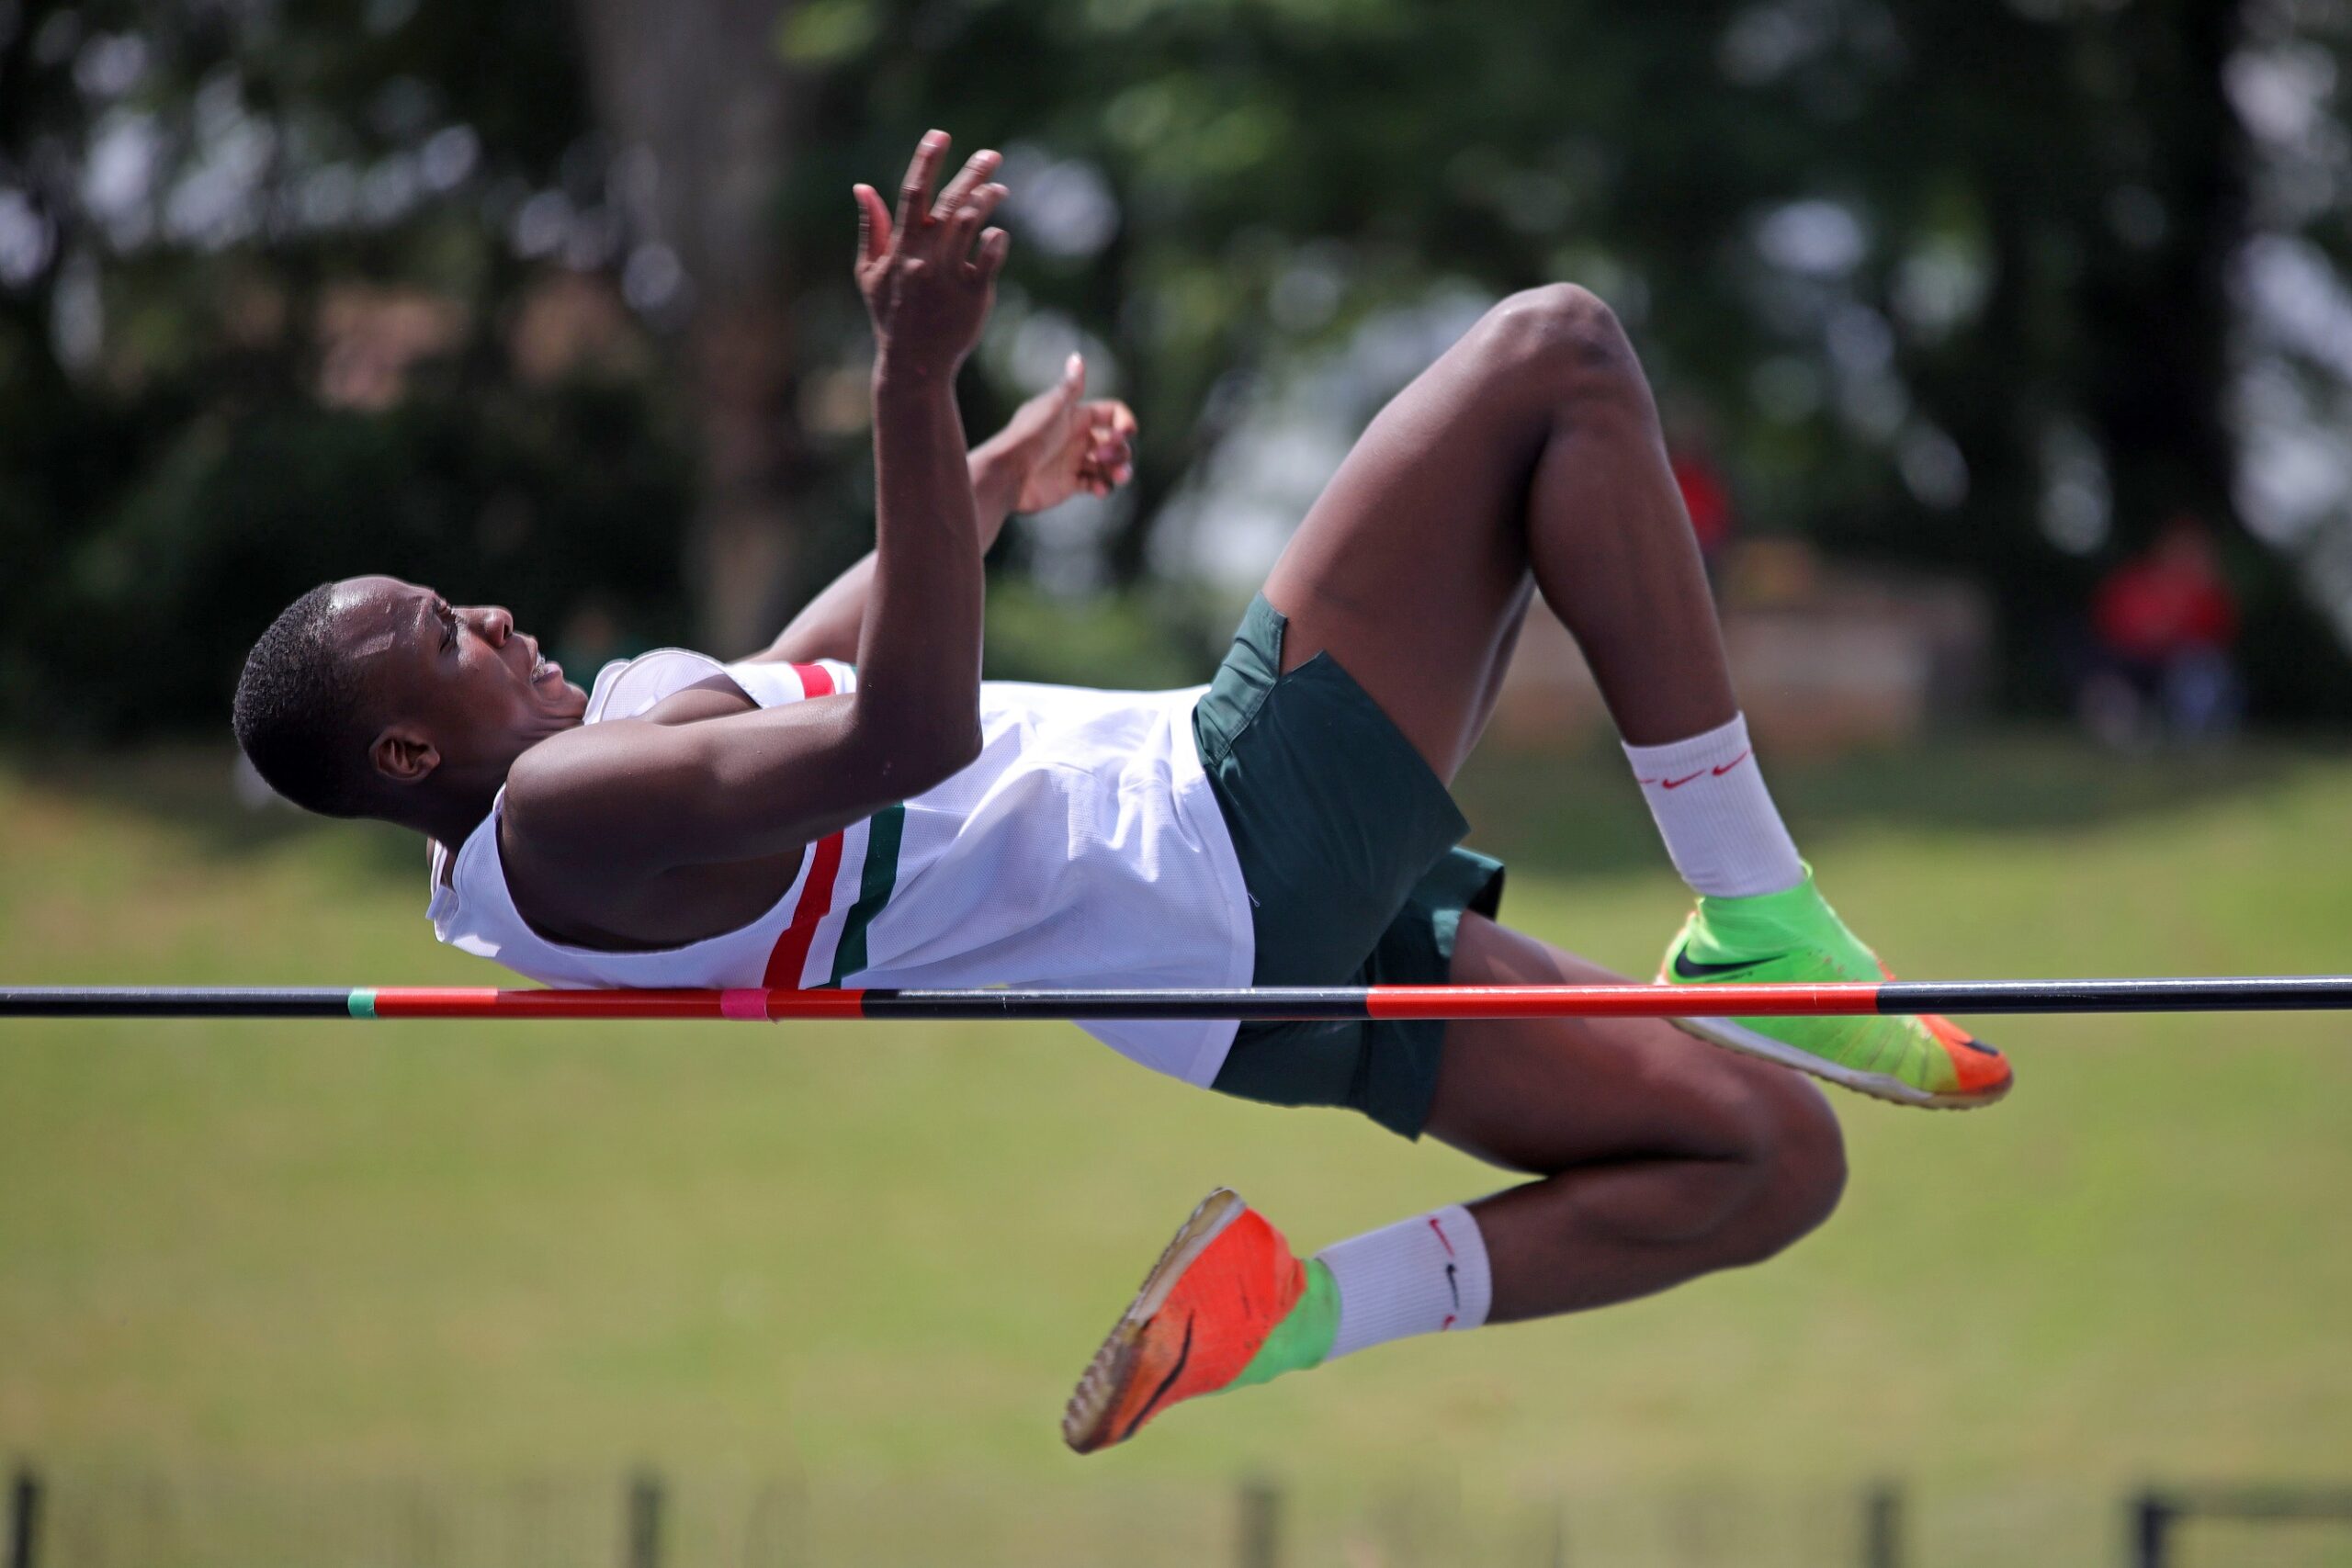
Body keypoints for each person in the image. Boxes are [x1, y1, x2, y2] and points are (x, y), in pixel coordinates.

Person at [231, 132, 2009, 1455]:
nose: (485, 615)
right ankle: (1752, 908)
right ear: (406, 756)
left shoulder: (577, 805)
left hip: (1207, 974)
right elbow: (904, 736)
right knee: (1555, 353)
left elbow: (802, 679)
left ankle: (1284, 1311)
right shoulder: (553, 820)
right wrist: (910, 381)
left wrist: (986, 479)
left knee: (1760, 1155)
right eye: (439, 635)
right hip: (1211, 836)